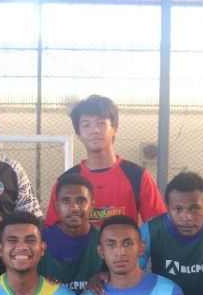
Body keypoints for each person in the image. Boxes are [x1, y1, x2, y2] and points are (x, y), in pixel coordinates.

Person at [45, 94, 165, 227]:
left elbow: (158, 228)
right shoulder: (65, 181)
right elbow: (52, 230)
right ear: (78, 134)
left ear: (115, 128)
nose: (94, 130)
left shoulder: (138, 176)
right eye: (86, 125)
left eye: (101, 123)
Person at [39, 172, 103, 293]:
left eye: (81, 201)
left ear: (92, 205)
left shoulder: (104, 239)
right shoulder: (40, 241)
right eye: (66, 201)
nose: (74, 208)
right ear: (57, 206)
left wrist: (105, 275)